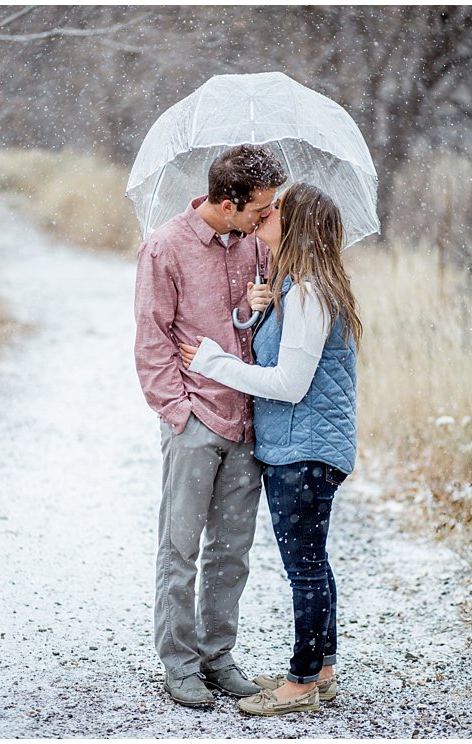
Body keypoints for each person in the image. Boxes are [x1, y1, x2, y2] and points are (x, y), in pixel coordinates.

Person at [179, 182, 360, 716]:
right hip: (306, 448)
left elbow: (288, 383)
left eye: (277, 209)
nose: (266, 214)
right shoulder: (303, 287)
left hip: (303, 452)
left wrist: (212, 362)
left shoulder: (307, 293)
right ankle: (322, 671)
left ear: (297, 225)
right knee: (314, 563)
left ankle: (300, 683)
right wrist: (264, 306)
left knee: (303, 570)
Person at [133, 144, 287, 708]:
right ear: (228, 203)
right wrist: (179, 415)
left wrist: (258, 305)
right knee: (180, 548)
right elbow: (152, 340)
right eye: (259, 209)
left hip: (248, 420)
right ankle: (179, 663)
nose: (266, 218)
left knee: (232, 551)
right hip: (196, 420)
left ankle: (219, 657)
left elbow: (250, 332)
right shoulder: (164, 248)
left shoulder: (255, 247)